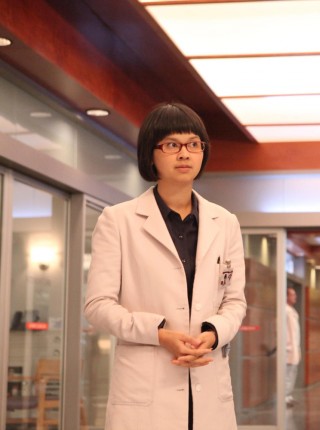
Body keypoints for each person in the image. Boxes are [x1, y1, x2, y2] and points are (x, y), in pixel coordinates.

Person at [84, 102, 247, 430]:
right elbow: (97, 305)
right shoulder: (118, 220)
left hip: (208, 382)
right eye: (172, 144)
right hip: (145, 390)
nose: (184, 153)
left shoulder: (225, 221)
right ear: (151, 153)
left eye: (193, 144)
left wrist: (213, 333)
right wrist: (157, 333)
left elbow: (235, 301)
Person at [285, 287, 301, 407]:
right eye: (292, 295)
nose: (295, 297)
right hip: (288, 348)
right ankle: (284, 396)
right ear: (286, 296)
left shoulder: (292, 311)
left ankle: (289, 395)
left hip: (294, 348)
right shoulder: (285, 310)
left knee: (292, 373)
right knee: (286, 374)